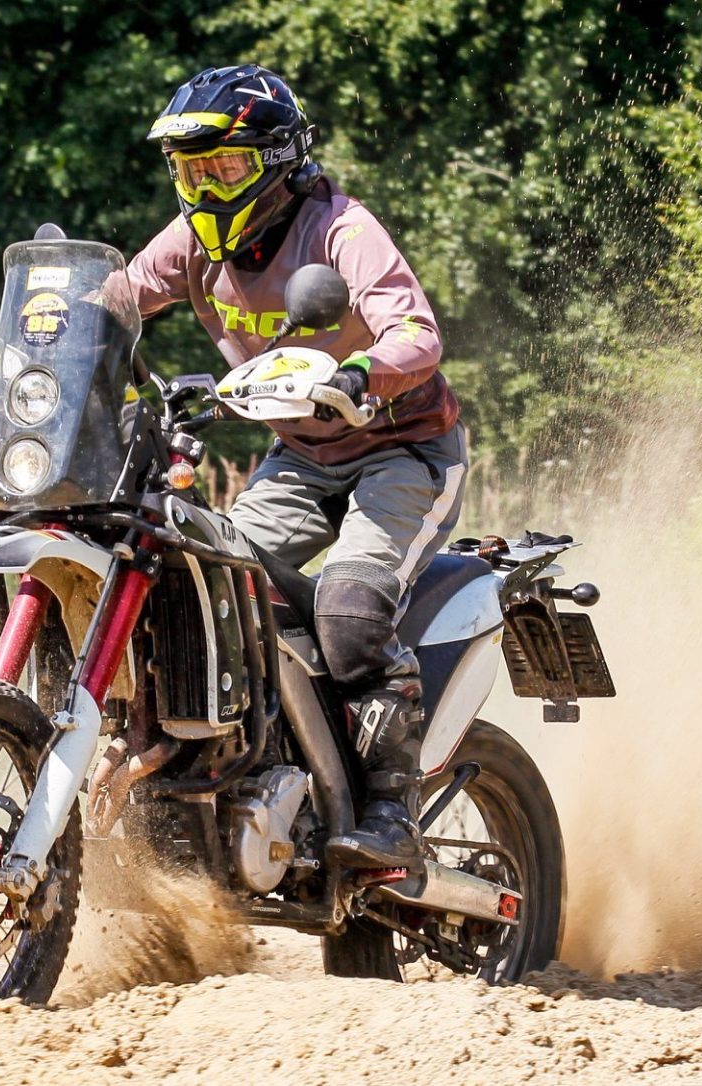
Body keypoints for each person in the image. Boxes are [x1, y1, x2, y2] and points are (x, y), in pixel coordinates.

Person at [123, 65, 465, 869]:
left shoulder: (340, 230)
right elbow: (114, 298)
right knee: (202, 590)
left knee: (348, 610)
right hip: (301, 456)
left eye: (226, 168)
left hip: (402, 447)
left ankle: (390, 811)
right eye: (191, 173)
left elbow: (416, 336)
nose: (207, 191)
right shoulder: (193, 245)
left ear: (278, 161)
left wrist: (358, 376)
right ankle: (249, 771)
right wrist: (38, 333)